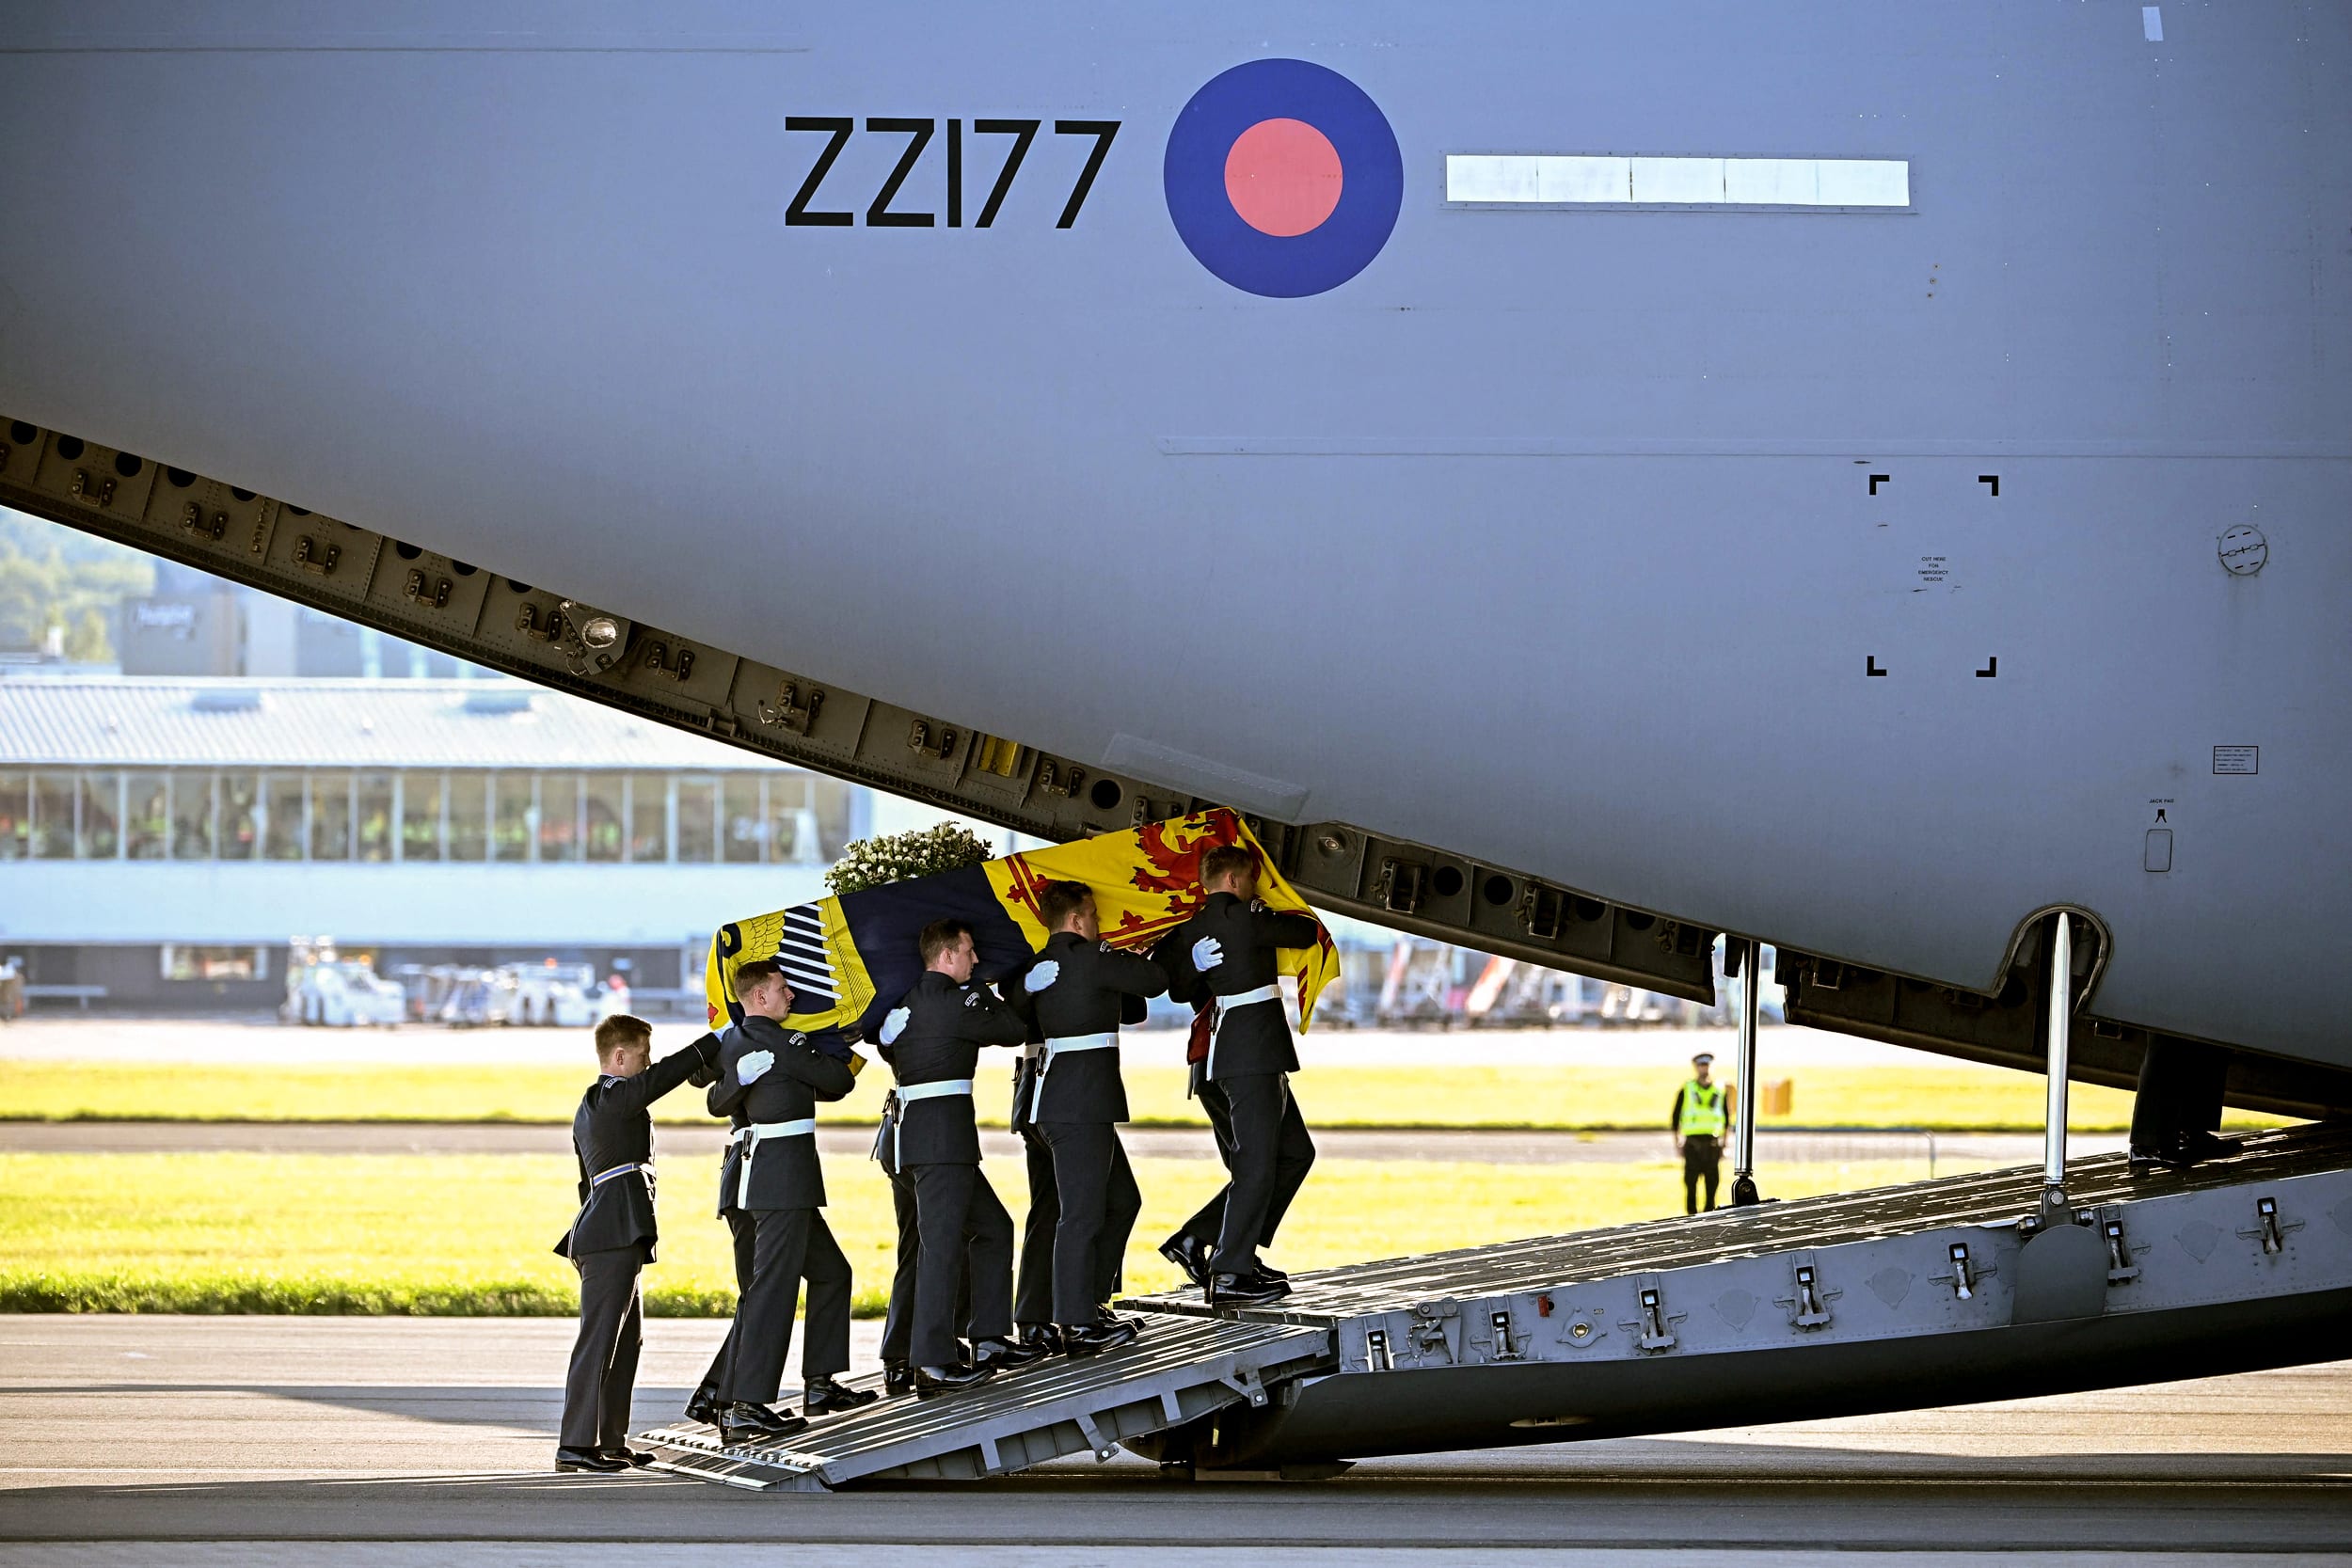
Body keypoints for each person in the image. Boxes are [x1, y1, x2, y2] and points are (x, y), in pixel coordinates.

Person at [706, 958, 876, 1442]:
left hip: (763, 1177)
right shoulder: (784, 1042)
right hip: (782, 1180)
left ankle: (819, 1383)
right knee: (773, 1289)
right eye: (783, 989)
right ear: (759, 996)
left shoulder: (735, 1041)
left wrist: (747, 1080)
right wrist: (836, 1051)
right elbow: (840, 1083)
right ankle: (745, 1405)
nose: (792, 996)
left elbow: (718, 1102)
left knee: (831, 1273)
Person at [881, 918, 1048, 1395]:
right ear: (948, 956)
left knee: (992, 1228)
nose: (975, 960)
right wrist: (986, 988)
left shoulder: (906, 1004)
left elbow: (894, 1048)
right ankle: (932, 1363)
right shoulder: (956, 1002)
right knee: (940, 1249)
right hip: (941, 1145)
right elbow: (1014, 1029)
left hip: (914, 1140)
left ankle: (988, 1337)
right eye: (970, 952)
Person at [1152, 845, 1324, 1307]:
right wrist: (1264, 906)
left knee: (1294, 1154)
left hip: (1231, 1054)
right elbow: (1305, 931)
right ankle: (1229, 1270)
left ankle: (1209, 1243)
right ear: (1232, 880)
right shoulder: (1247, 916)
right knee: (1257, 1163)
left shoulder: (1191, 929)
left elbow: (1175, 987)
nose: (1254, 885)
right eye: (1250, 878)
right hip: (1251, 1054)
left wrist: (1194, 963)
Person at [553, 1014, 720, 1473]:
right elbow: (663, 1079)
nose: (649, 1066)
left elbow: (585, 1183)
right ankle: (575, 1445)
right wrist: (714, 1043)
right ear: (620, 1057)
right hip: (611, 1235)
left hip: (615, 1232)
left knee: (626, 1342)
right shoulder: (611, 1096)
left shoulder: (608, 1104)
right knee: (599, 1340)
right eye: (644, 1057)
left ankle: (609, 1440)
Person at [1008, 879, 1165, 1353]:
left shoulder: (1036, 969)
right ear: (1077, 921)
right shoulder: (1092, 958)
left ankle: (1073, 1306)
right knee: (1080, 1214)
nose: (1099, 924)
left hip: (1052, 1102)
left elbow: (1128, 1005)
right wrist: (1130, 949)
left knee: (1114, 1201)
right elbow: (1155, 982)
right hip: (1079, 1105)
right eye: (1095, 916)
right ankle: (1077, 1322)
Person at [1672, 1052, 1734, 1213]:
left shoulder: (1720, 1089)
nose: (1704, 1069)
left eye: (1706, 1065)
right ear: (1696, 1067)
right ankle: (1691, 1219)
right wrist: (1677, 1142)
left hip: (1712, 1144)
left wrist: (1725, 1145)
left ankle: (1709, 1220)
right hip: (1692, 1143)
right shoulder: (1687, 1089)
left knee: (1712, 1186)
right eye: (1701, 1065)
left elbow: (1727, 1119)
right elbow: (1675, 1117)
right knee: (1690, 1186)